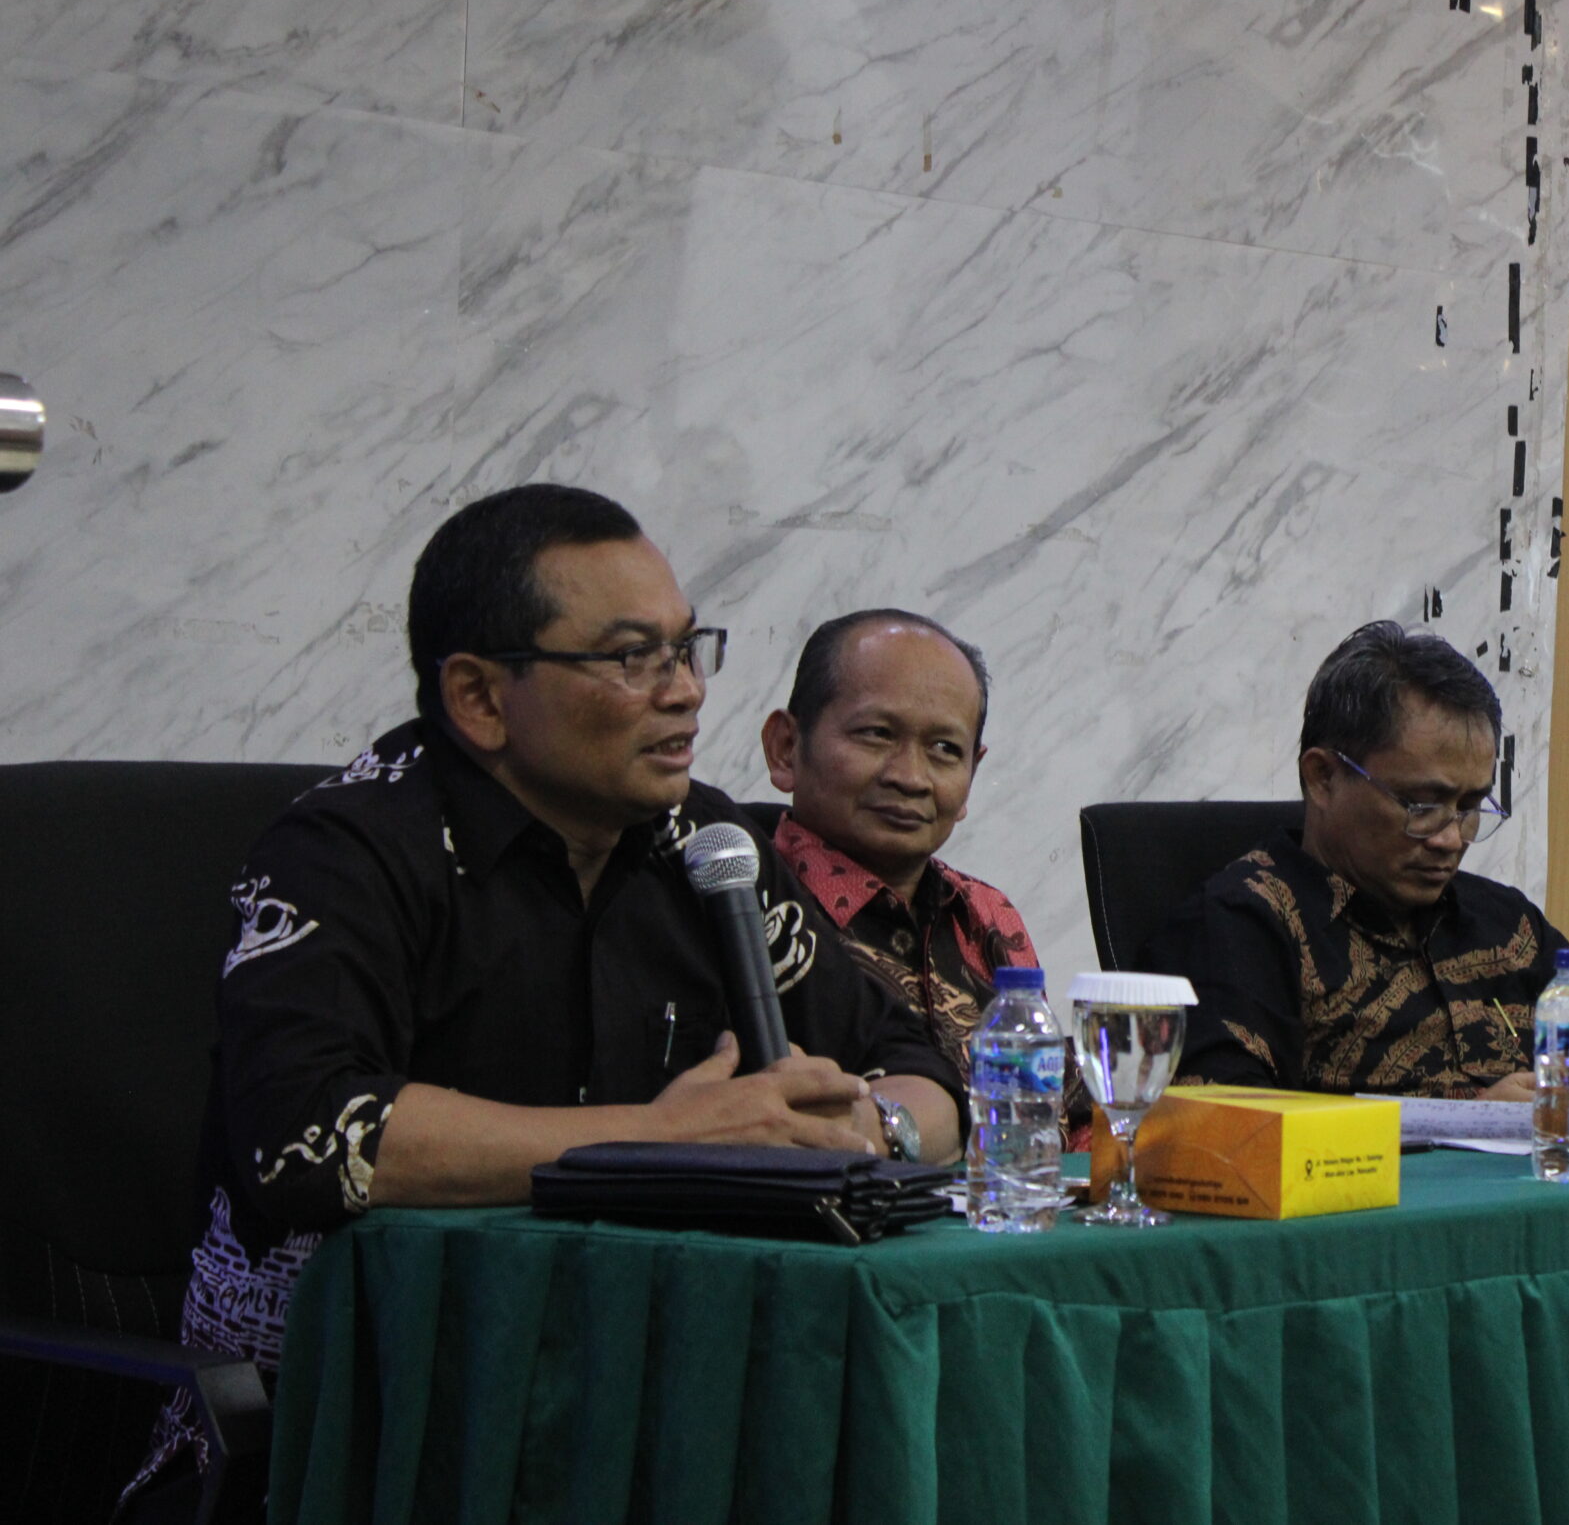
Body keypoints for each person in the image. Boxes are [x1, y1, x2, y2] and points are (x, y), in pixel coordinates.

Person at [128, 485, 962, 1512]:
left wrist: (869, 1130)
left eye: (687, 648)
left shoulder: (704, 848)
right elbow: (307, 1137)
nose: (685, 693)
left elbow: (922, 1067)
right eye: (632, 658)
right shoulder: (347, 853)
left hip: (643, 1407)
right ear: (480, 697)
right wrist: (660, 1140)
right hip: (356, 1430)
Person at [1146, 620, 1568, 1098]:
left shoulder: (1511, 928)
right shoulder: (1239, 931)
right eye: (1422, 805)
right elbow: (1227, 1123)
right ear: (1323, 777)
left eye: (1469, 807)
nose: (1451, 839)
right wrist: (1480, 1124)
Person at [756, 609, 1050, 1093]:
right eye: (877, 733)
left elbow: (1052, 1109)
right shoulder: (747, 912)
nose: (911, 777)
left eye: (945, 749)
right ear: (786, 747)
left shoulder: (986, 914)